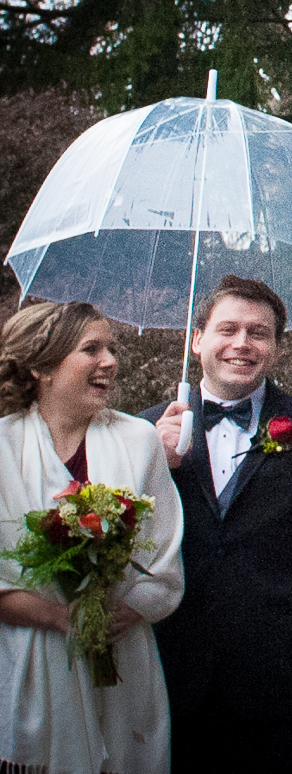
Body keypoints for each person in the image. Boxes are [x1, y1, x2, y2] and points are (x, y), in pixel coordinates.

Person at [141, 275, 292, 773]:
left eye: (258, 333)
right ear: (197, 338)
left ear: (276, 347)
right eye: (228, 329)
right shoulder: (141, 433)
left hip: (286, 693)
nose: (242, 344)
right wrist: (150, 465)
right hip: (165, 680)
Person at [0, 301, 184, 774]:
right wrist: (61, 617)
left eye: (112, 349)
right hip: (25, 661)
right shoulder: (2, 447)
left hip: (123, 657)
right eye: (91, 349)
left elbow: (163, 556)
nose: (110, 361)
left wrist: (123, 610)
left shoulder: (138, 440)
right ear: (43, 366)